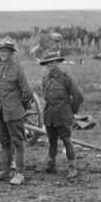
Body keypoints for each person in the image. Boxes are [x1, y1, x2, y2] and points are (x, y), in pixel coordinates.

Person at [0, 40, 33, 186]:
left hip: (13, 112)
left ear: (11, 53)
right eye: (1, 51)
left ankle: (19, 173)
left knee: (17, 143)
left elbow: (27, 92)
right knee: (4, 142)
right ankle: (5, 170)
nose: (3, 54)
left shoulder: (17, 69)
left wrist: (20, 107)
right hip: (0, 111)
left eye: (6, 51)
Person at [39, 49, 83, 179]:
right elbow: (45, 96)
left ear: (58, 62)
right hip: (50, 116)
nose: (50, 65)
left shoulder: (66, 78)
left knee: (66, 140)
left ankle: (72, 167)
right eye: (48, 63)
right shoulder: (45, 79)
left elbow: (78, 96)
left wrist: (72, 111)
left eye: (53, 62)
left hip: (63, 115)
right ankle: (51, 164)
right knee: (52, 141)